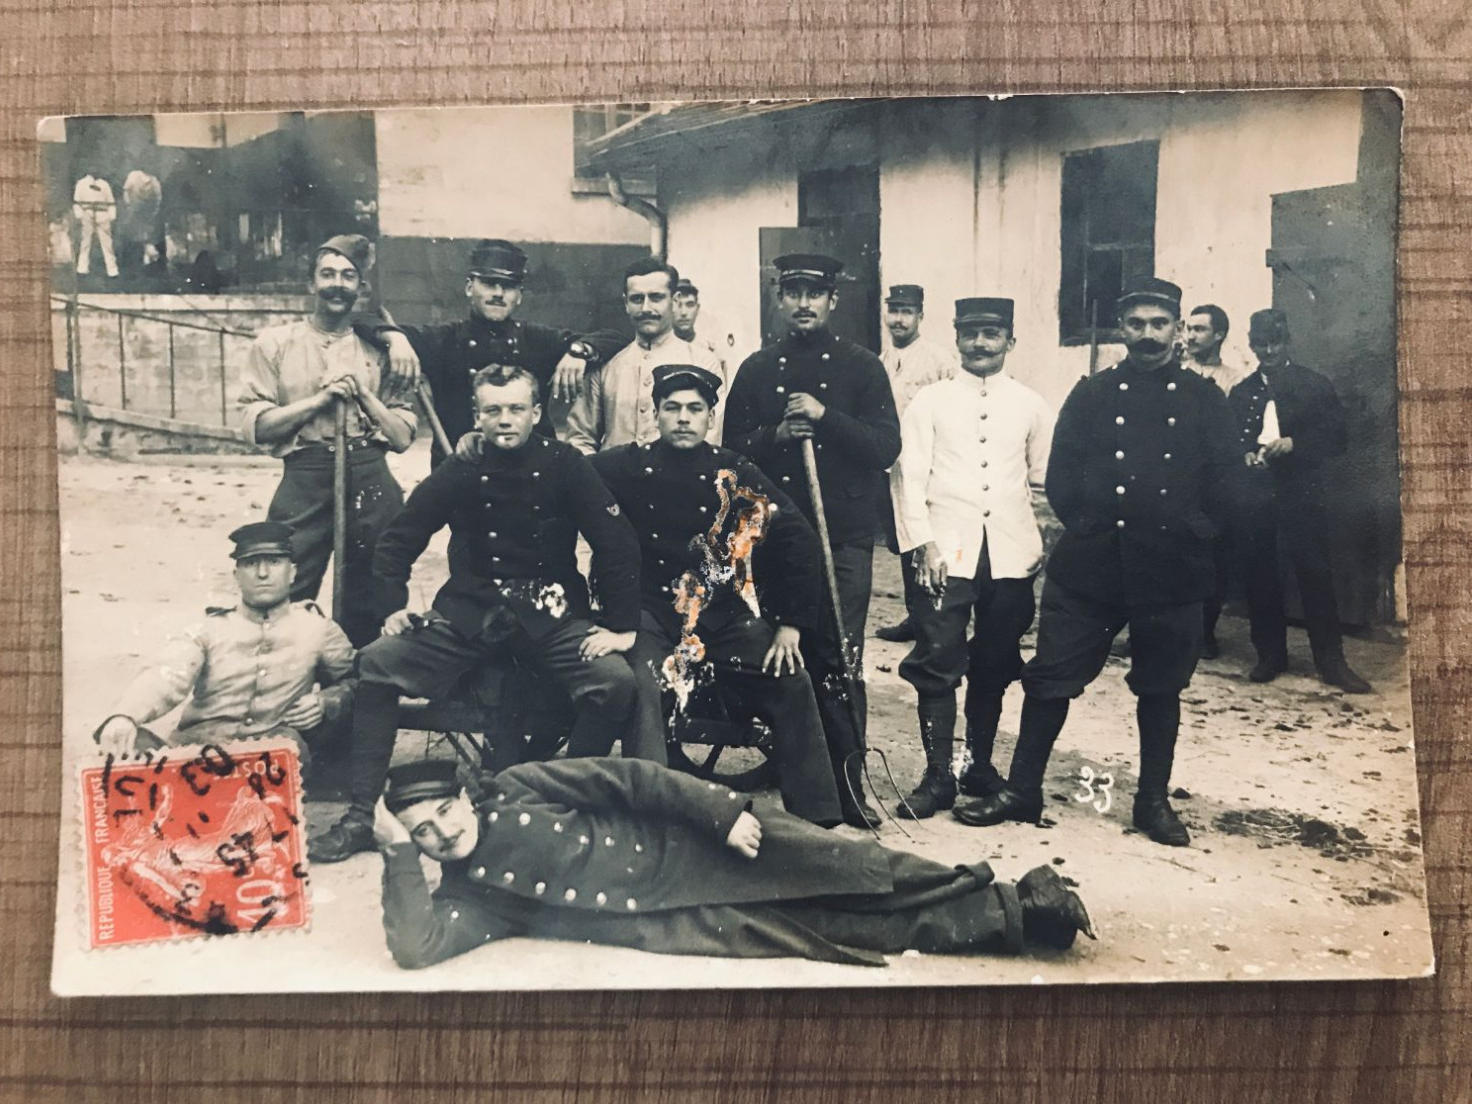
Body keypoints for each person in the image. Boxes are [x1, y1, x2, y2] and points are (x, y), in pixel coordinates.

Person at [307, 363, 644, 863]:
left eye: (514, 409)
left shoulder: (567, 465)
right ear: (477, 416)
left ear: (535, 413)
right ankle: (362, 815)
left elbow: (616, 544)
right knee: (377, 662)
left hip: (548, 612)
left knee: (613, 681)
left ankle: (569, 802)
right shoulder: (461, 468)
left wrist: (620, 628)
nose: (504, 420)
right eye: (492, 410)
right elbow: (398, 539)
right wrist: (393, 609)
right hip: (470, 613)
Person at [954, 277, 1241, 847]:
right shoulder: (1092, 394)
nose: (1147, 335)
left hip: (1171, 569)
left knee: (1161, 687)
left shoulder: (1205, 398)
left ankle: (1152, 802)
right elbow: (1061, 476)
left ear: (1178, 329)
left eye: (1159, 323)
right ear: (1121, 330)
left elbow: (1230, 484)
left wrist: (1195, 534)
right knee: (1050, 677)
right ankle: (1023, 789)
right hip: (1091, 567)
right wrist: (1086, 527)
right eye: (1135, 324)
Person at [375, 757, 1096, 970]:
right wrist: (396, 853)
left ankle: (1000, 885)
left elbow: (633, 779)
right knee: (847, 928)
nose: (439, 832)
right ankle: (1018, 917)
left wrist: (722, 811)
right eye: (420, 833)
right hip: (681, 914)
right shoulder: (476, 897)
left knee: (853, 864)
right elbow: (415, 945)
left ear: (465, 796)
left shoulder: (519, 785)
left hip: (704, 840)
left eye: (442, 812)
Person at [591, 363, 843, 827]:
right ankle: (653, 816)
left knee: (791, 678)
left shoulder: (735, 470)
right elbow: (563, 479)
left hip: (723, 616)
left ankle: (819, 819)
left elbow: (797, 536)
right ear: (656, 414)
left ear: (710, 416)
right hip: (651, 612)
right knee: (643, 687)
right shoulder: (624, 465)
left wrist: (789, 624)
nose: (683, 418)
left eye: (694, 409)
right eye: (672, 408)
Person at [723, 254, 902, 827]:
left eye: (815, 293)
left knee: (838, 657)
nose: (803, 303)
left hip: (841, 538)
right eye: (793, 292)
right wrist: (777, 432)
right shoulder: (756, 369)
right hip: (772, 541)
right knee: (781, 652)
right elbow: (729, 455)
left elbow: (885, 447)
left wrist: (825, 416)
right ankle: (792, 767)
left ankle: (850, 787)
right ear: (779, 300)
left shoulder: (863, 367)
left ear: (833, 301)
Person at [890, 298, 1053, 818]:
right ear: (956, 337)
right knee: (937, 658)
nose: (980, 344)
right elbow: (907, 478)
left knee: (995, 660)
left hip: (1008, 552)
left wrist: (1038, 544)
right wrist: (924, 544)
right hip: (947, 547)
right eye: (971, 333)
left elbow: (1043, 481)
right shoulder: (931, 401)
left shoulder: (1030, 404)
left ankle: (976, 765)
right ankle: (938, 777)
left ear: (1010, 340)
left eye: (991, 333)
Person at [236, 234, 417, 650]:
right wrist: (320, 401)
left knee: (375, 586)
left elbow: (404, 436)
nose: (338, 284)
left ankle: (360, 683)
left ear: (361, 289)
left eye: (348, 276)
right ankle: (284, 676)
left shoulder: (382, 349)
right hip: (306, 474)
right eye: (328, 274)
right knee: (283, 581)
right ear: (311, 284)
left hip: (371, 474)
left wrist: (362, 396)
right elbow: (257, 426)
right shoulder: (274, 345)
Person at [93, 522, 355, 773]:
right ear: (236, 576)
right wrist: (125, 715)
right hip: (193, 751)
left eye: (274, 562)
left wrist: (326, 703)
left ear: (292, 573)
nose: (262, 573)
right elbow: (166, 674)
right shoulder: (209, 629)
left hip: (269, 754)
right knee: (124, 746)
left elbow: (355, 681)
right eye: (251, 564)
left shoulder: (318, 629)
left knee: (289, 750)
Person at [354, 238, 628, 461]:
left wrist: (580, 350)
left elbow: (615, 337)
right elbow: (360, 319)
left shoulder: (537, 339)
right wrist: (395, 338)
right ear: (469, 287)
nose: (498, 293)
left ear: (519, 295)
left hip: (532, 475)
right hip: (462, 471)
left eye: (508, 286)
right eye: (488, 283)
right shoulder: (443, 339)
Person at [1229, 309, 1372, 693]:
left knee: (1314, 574)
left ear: (1287, 340)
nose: (1268, 350)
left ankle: (1331, 663)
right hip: (1257, 495)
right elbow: (1231, 440)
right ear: (1251, 343)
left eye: (1275, 342)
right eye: (1261, 343)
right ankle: (1270, 655)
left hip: (1302, 491)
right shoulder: (1243, 392)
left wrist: (1295, 444)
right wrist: (1243, 453)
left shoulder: (1313, 385)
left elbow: (1338, 437)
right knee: (1261, 575)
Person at [874, 283, 963, 645]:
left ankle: (937, 619)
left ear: (920, 317)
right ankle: (916, 616)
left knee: (929, 539)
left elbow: (956, 414)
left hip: (928, 464)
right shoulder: (881, 361)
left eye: (906, 312)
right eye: (893, 311)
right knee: (904, 541)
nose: (898, 319)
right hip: (894, 467)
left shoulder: (939, 361)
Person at [563, 259, 727, 453]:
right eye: (637, 299)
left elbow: (711, 439)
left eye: (656, 297)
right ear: (626, 303)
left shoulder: (703, 362)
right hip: (612, 481)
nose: (646, 308)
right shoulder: (607, 363)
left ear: (674, 301)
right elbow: (580, 439)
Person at [1182, 304, 1247, 659]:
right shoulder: (1174, 373)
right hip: (1175, 478)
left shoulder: (1235, 380)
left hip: (1213, 484)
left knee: (1212, 558)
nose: (1191, 336)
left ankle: (1205, 632)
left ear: (1219, 334)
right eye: (1188, 329)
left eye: (1200, 330)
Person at [72, 172, 119, 278]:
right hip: (87, 212)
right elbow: (77, 201)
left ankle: (112, 269)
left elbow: (111, 201)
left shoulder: (104, 184)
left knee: (107, 243)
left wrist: (111, 215)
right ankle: (82, 268)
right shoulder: (81, 183)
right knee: (85, 241)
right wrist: (79, 215)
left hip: (102, 213)